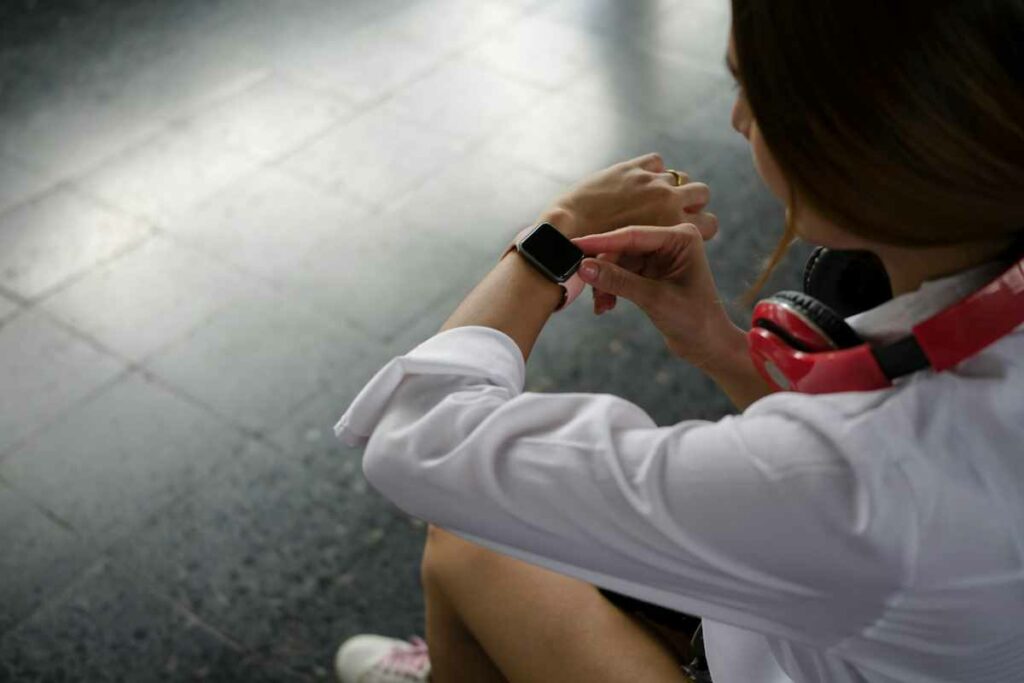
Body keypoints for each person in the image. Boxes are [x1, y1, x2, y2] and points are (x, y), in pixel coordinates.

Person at [331, 0, 1024, 680]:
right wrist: (718, 345)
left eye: (753, 89)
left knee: (464, 538)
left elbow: (417, 438)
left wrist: (555, 234)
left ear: (861, 135)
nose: (738, 117)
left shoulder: (868, 480)